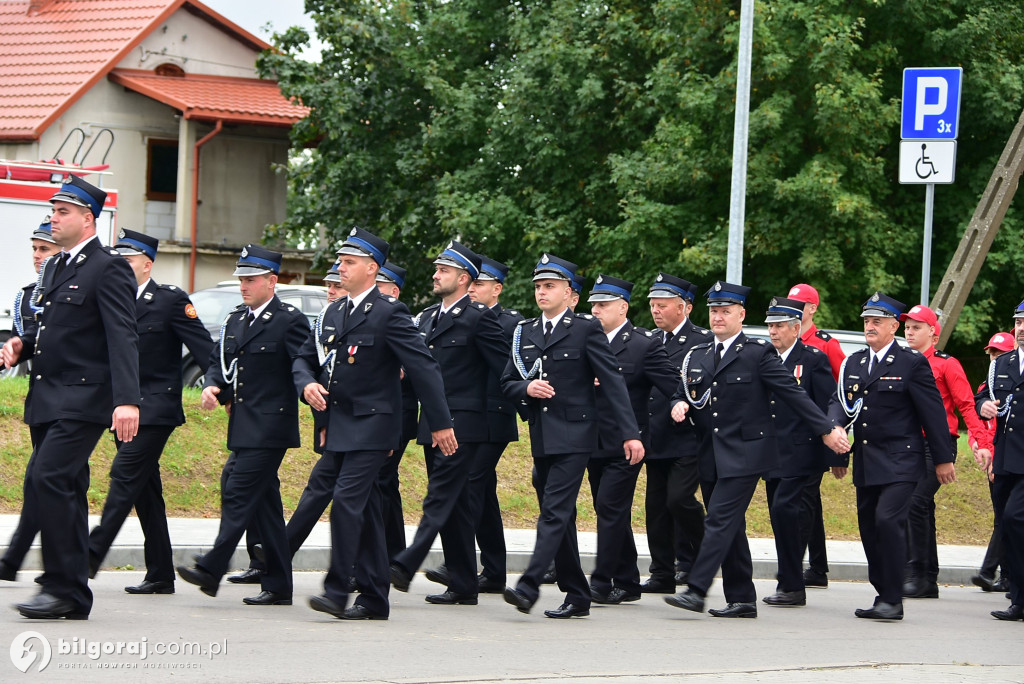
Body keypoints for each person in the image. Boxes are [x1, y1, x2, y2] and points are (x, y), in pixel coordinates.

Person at [295, 227, 455, 620]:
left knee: (347, 504)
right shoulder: (334, 312)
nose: (339, 268)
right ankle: (374, 597)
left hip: (374, 426)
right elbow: (305, 361)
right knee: (364, 512)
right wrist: (308, 385)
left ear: (371, 269)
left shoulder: (389, 312)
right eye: (340, 261)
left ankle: (336, 591)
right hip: (340, 425)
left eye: (348, 262)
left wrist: (439, 423)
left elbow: (424, 368)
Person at [664, 282, 848, 619]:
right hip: (710, 454)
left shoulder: (756, 353)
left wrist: (825, 430)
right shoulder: (701, 354)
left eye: (726, 311)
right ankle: (742, 597)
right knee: (730, 527)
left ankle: (696, 589)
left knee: (719, 519)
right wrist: (678, 404)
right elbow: (682, 391)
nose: (718, 317)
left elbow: (793, 395)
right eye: (714, 311)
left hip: (746, 454)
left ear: (741, 315)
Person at [1, 175, 140, 620]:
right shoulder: (58, 267)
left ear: (87, 218)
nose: (53, 218)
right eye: (53, 210)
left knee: (48, 478)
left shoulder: (108, 266)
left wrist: (128, 400)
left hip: (84, 399)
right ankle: (75, 595)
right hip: (48, 397)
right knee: (69, 487)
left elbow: (123, 335)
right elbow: (53, 325)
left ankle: (58, 585)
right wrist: (24, 342)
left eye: (63, 212)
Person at [501, 254, 644, 619]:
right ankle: (577, 593)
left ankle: (529, 585)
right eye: (538, 286)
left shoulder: (585, 329)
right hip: (543, 436)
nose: (542, 292)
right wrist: (526, 388)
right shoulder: (527, 332)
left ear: (570, 295)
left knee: (553, 511)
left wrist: (630, 433)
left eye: (550, 286)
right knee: (559, 517)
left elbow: (612, 382)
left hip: (578, 434)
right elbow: (506, 382)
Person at [176, 245, 312, 606]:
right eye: (241, 280)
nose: (243, 286)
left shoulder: (290, 320)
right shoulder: (236, 319)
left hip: (272, 426)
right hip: (242, 424)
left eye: (250, 280)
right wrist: (212, 386)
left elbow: (304, 368)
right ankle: (279, 585)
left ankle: (212, 567)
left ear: (271, 281)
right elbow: (219, 361)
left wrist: (319, 412)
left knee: (236, 488)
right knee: (264, 505)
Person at [86, 230, 213, 595]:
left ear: (147, 264)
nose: (122, 266)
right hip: (120, 409)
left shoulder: (170, 300)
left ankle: (90, 554)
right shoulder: (111, 300)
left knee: (124, 475)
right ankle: (160, 573)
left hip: (156, 408)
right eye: (118, 260)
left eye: (128, 260)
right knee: (145, 491)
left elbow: (202, 346)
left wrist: (218, 384)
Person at [390, 241, 508, 606]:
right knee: (455, 507)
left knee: (440, 495)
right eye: (437, 269)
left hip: (465, 426)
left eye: (442, 270)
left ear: (463, 279)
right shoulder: (426, 319)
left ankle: (407, 562)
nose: (435, 275)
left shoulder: (479, 317)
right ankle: (463, 584)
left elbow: (504, 367)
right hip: (433, 423)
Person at [828, 292, 954, 620]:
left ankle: (892, 599)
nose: (869, 327)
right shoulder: (853, 362)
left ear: (893, 325)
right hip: (868, 460)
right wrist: (835, 428)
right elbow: (840, 402)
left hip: (902, 458)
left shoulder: (911, 362)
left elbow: (933, 413)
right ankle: (883, 591)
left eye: (877, 322)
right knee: (869, 527)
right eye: (867, 321)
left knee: (888, 519)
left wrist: (943, 458)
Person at [427, 255, 523, 592]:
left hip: (491, 419)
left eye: (481, 284)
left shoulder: (511, 323)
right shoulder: (450, 319)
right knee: (481, 494)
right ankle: (492, 570)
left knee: (467, 489)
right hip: (464, 419)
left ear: (496, 289)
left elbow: (512, 371)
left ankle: (461, 567)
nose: (474, 290)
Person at [586, 275, 678, 604]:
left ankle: (600, 582)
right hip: (591, 441)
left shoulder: (643, 344)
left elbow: (672, 385)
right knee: (608, 509)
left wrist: (681, 402)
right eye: (594, 304)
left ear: (623, 307)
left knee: (610, 508)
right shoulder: (585, 339)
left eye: (604, 305)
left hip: (628, 443)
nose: (596, 310)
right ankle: (627, 581)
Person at [901, 304, 987, 599]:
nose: (909, 332)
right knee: (918, 506)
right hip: (907, 444)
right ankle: (926, 577)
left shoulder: (946, 364)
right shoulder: (901, 362)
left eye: (916, 327)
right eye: (907, 327)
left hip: (937, 445)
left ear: (933, 335)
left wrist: (981, 442)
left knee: (915, 502)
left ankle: (917, 573)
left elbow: (966, 405)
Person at [760, 297, 836, 607]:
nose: (772, 331)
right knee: (779, 517)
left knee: (786, 511)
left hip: (803, 453)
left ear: (795, 327)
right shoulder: (764, 358)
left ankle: (791, 585)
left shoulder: (813, 359)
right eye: (769, 326)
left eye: (778, 326)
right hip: (772, 452)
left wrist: (837, 456)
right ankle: (790, 582)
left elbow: (830, 405)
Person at [0, 219, 62, 580]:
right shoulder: (27, 295)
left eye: (46, 249)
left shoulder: (73, 289)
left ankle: (21, 559)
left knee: (45, 478)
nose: (38, 257)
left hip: (74, 399)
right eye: (35, 250)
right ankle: (63, 564)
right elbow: (24, 342)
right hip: (41, 400)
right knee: (52, 483)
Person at [643, 274, 712, 593]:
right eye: (653, 305)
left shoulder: (703, 341)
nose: (656, 311)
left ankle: (702, 556)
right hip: (655, 434)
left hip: (689, 437)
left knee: (679, 499)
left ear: (684, 308)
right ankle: (662, 573)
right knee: (656, 506)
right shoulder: (651, 339)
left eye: (662, 305)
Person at [787, 283, 845, 589]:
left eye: (800, 303)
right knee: (809, 501)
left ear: (812, 308)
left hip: (816, 436)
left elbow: (841, 396)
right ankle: (818, 567)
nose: (795, 307)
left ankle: (799, 566)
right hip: (787, 437)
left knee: (804, 500)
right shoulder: (783, 340)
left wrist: (838, 450)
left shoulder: (826, 345)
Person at [977, 303, 1024, 621]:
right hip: (1006, 457)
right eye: (1018, 322)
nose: (1021, 328)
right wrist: (984, 407)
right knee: (1009, 526)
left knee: (1014, 517)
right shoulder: (1002, 363)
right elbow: (983, 396)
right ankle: (1018, 600)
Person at [969, 331, 1015, 593]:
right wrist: (976, 442)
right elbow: (979, 417)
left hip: (1005, 458)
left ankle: (989, 571)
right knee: (1003, 518)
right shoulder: (987, 385)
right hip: (992, 457)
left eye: (999, 353)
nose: (993, 357)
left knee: (1007, 518)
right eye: (991, 353)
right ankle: (1006, 577)